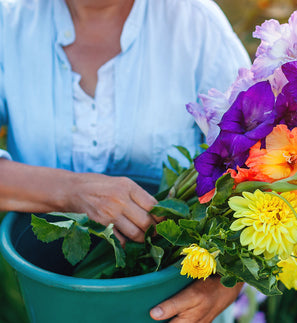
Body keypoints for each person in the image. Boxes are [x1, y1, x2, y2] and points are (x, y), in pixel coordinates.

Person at [0, 0, 251, 322]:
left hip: (175, 296)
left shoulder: (196, 25)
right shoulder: (10, 23)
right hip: (55, 296)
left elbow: (259, 159)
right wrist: (71, 190)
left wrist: (224, 284)